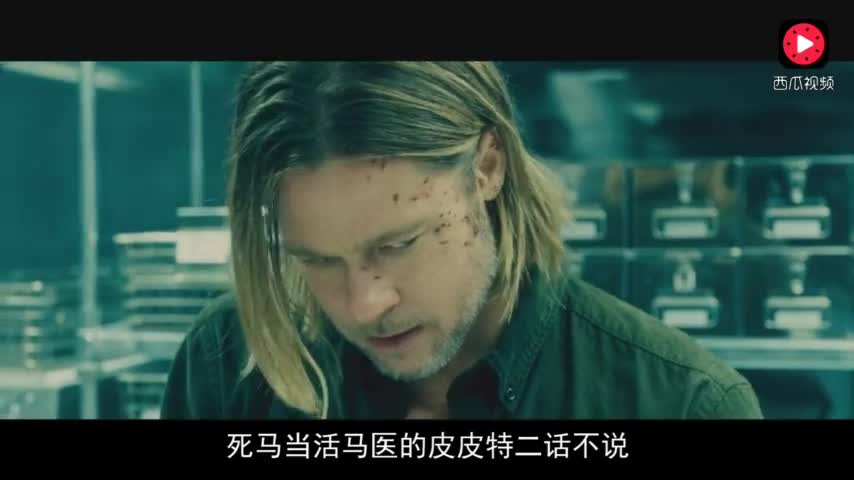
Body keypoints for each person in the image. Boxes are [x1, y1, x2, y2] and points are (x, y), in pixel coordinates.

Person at [160, 61, 763, 420]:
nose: (366, 305)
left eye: (399, 244)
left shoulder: (684, 404)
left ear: (487, 168)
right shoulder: (225, 362)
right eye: (317, 261)